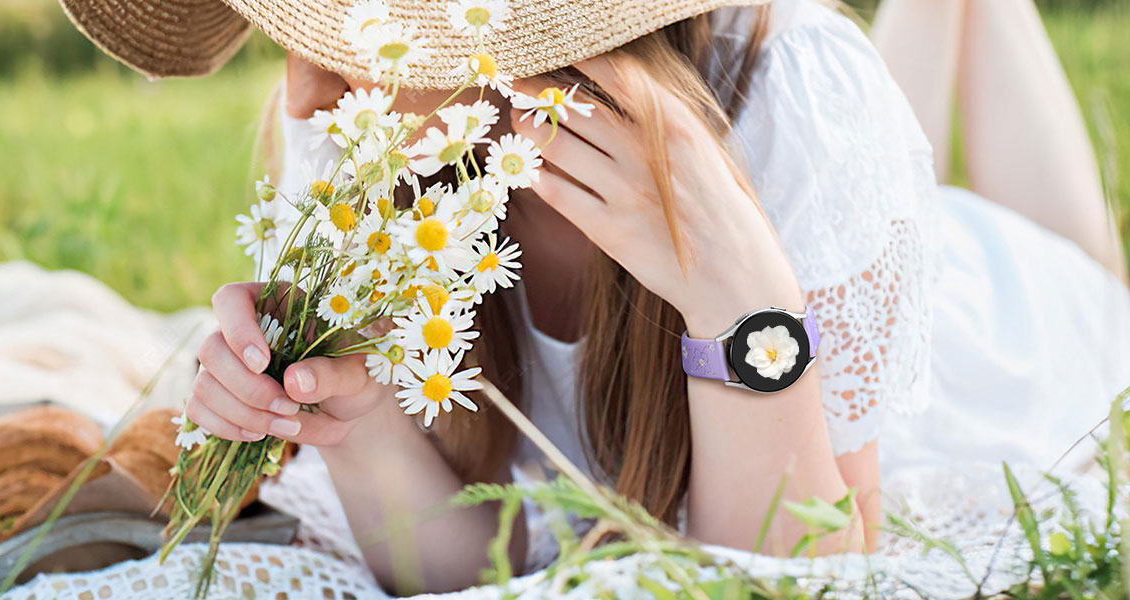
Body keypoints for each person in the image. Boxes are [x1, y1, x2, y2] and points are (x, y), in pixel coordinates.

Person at [57, 0, 1130, 594]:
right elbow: (463, 565)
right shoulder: (365, 124)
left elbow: (805, 568)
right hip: (848, 220)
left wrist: (741, 301)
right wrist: (351, 419)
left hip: (996, 326)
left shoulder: (800, 95)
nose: (300, 71)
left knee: (1096, 281)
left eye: (337, 19)